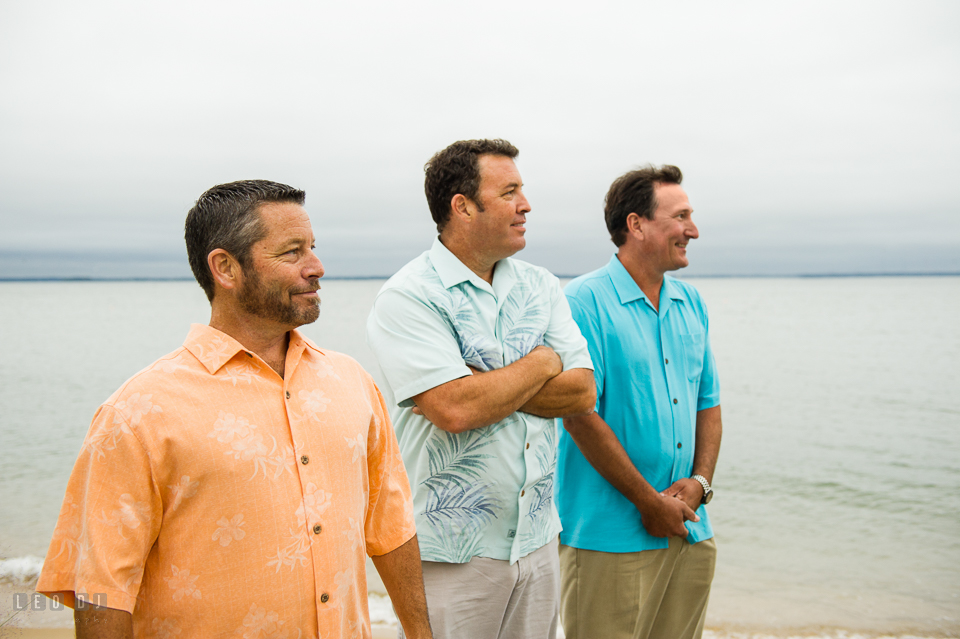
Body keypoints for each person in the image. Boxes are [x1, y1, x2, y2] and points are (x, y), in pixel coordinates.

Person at [36, 180, 433, 639]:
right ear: (225, 268)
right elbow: (100, 588)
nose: (317, 267)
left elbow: (391, 529)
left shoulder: (353, 383)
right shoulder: (137, 413)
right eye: (292, 253)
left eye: (313, 248)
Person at [366, 139, 595, 639]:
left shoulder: (541, 285)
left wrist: (482, 384)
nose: (526, 204)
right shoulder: (408, 297)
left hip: (537, 540)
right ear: (463, 206)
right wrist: (542, 360)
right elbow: (452, 408)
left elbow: (581, 393)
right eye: (509, 191)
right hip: (449, 552)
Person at [557, 165, 722, 639]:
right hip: (608, 538)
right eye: (681, 217)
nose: (693, 230)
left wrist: (700, 482)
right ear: (636, 224)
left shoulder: (691, 303)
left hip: (690, 529)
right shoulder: (583, 302)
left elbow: (707, 406)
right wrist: (648, 502)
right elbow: (579, 417)